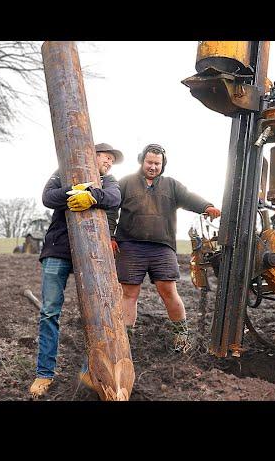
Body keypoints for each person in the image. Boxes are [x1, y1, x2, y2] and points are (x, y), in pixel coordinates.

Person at [29, 143, 124, 398]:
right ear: (92, 155)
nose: (109, 163)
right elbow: (48, 197)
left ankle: (90, 370)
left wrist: (92, 195)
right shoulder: (63, 171)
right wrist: (74, 190)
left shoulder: (109, 179)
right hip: (58, 250)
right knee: (49, 312)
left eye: (111, 160)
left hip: (91, 253)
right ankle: (44, 374)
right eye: (106, 158)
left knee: (94, 314)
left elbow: (115, 198)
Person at [109, 143, 221, 353]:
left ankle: (181, 337)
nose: (153, 167)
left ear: (163, 165)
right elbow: (111, 209)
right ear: (142, 161)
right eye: (149, 162)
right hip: (131, 246)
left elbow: (189, 198)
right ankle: (125, 341)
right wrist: (110, 234)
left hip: (162, 247)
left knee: (169, 291)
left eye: (157, 164)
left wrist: (206, 206)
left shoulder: (171, 185)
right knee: (129, 293)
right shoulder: (125, 183)